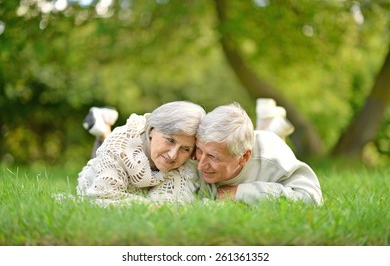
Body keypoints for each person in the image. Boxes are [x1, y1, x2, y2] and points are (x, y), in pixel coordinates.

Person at [76, 101, 206, 206]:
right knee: (112, 159)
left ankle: (104, 130)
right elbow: (100, 196)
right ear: (151, 130)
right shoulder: (119, 148)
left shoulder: (188, 161)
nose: (173, 155)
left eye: (185, 149)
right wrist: (149, 205)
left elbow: (167, 205)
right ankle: (103, 131)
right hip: (100, 172)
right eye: (170, 140)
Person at [195, 102, 323, 205]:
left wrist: (239, 192)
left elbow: (311, 198)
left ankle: (271, 125)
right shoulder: (189, 153)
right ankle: (269, 124)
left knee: (269, 136)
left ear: (243, 157)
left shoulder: (272, 156)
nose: (200, 166)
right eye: (199, 150)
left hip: (266, 146)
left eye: (213, 156)